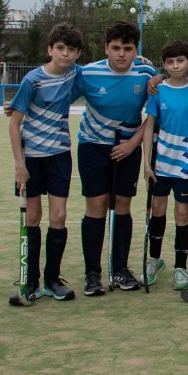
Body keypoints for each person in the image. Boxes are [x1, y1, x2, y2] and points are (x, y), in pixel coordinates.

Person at [74, 21, 158, 295]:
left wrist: (133, 143)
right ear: (106, 49)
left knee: (122, 205)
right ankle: (92, 274)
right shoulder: (87, 74)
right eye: (116, 48)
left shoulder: (146, 73)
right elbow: (56, 96)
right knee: (96, 206)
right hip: (93, 146)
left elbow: (154, 115)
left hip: (128, 148)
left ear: (136, 50)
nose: (122, 54)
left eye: (128, 48)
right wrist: (15, 106)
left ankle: (120, 270)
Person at [7, 22, 83, 302]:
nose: (65, 54)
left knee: (59, 216)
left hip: (60, 156)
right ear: (50, 49)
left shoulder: (76, 73)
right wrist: (19, 165)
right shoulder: (32, 80)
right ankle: (31, 281)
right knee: (33, 217)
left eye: (71, 50)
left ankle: (53, 279)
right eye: (60, 48)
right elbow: (14, 124)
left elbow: (106, 69)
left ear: (77, 54)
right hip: (31, 159)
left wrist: (141, 63)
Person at [141, 40, 188, 290]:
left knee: (182, 214)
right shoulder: (158, 91)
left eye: (180, 61)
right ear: (163, 64)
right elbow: (148, 128)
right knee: (157, 210)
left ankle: (181, 267)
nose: (175, 66)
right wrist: (146, 163)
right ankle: (154, 260)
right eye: (169, 62)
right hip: (161, 163)